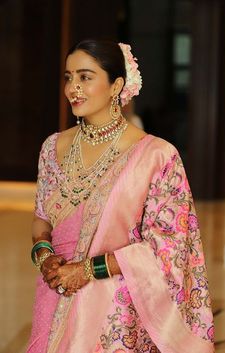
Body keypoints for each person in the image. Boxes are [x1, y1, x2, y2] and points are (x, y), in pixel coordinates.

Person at [26, 39, 214, 353]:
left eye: (85, 77)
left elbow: (170, 246)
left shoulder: (157, 155)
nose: (74, 87)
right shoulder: (52, 147)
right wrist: (45, 257)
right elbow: (42, 219)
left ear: (116, 86)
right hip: (54, 293)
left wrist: (86, 269)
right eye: (68, 77)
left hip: (115, 313)